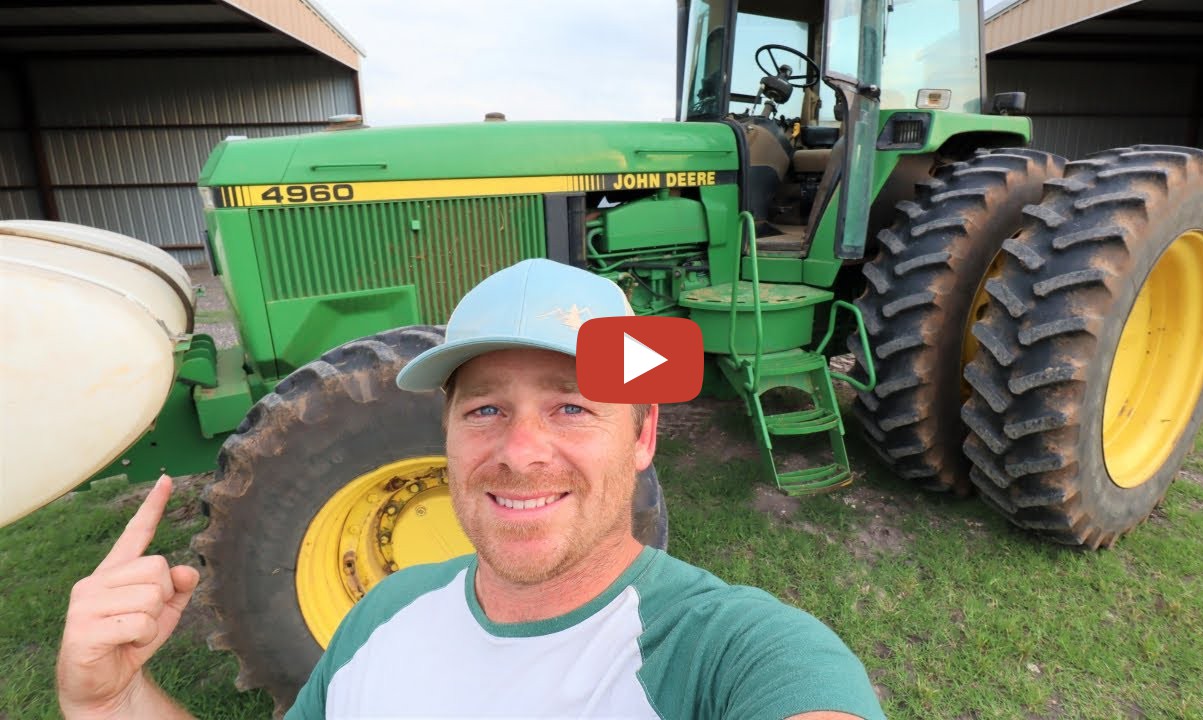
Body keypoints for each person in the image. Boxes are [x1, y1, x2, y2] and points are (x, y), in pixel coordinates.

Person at [57, 259, 887, 720]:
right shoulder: (379, 616)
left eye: (571, 407)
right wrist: (114, 702)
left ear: (642, 437)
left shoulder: (730, 652)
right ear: (446, 438)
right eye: (486, 408)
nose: (521, 454)